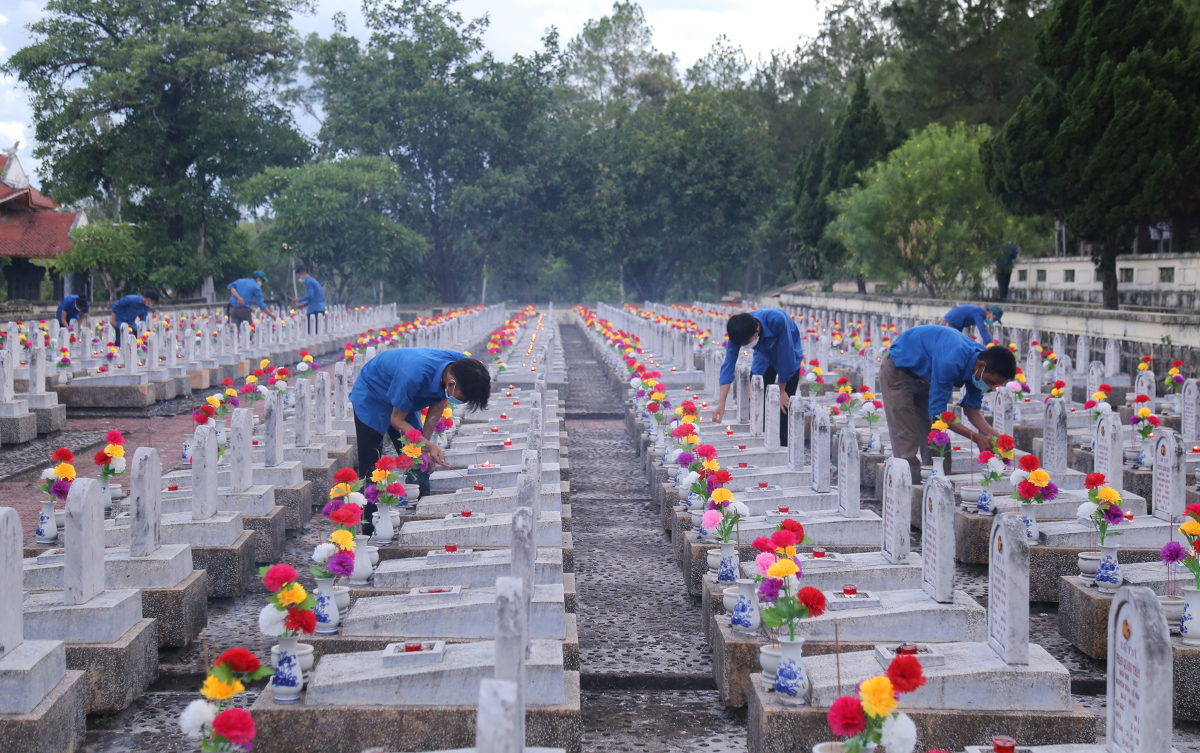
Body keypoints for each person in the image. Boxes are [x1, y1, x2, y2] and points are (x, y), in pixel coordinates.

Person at [349, 349, 491, 534]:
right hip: (374, 393)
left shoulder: (465, 367)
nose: (460, 402)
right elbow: (397, 420)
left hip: (404, 395)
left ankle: (418, 516)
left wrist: (425, 444)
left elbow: (439, 401)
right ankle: (369, 530)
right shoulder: (413, 376)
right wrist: (427, 444)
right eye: (461, 399)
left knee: (418, 460)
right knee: (372, 465)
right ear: (451, 383)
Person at [879, 325, 1017, 481]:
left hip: (927, 375)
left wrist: (989, 431)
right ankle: (910, 488)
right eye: (990, 382)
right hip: (899, 368)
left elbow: (972, 408)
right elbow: (939, 414)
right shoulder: (952, 360)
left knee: (937, 437)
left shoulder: (979, 362)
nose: (990, 387)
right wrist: (977, 438)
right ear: (981, 366)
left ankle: (941, 485)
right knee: (906, 437)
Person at [711, 310, 803, 446]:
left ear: (757, 329)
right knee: (758, 400)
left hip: (789, 354)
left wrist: (782, 391)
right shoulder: (738, 332)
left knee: (784, 406)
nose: (745, 346)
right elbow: (728, 367)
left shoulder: (777, 321)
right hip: (763, 356)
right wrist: (721, 403)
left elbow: (786, 357)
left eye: (746, 343)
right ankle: (764, 438)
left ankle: (784, 446)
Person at [291, 268, 326, 333]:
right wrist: (303, 305)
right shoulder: (313, 280)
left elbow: (310, 295)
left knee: (311, 330)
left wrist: (299, 300)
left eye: (299, 277)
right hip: (320, 308)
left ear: (303, 275)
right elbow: (315, 297)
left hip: (314, 309)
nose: (299, 279)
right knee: (317, 330)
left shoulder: (308, 282)